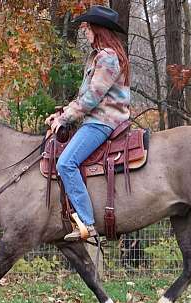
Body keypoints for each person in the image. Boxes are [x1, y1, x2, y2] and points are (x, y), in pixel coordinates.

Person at [45, 5, 131, 241]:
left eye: (87, 27)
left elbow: (93, 97)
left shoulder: (108, 58)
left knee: (65, 163)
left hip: (103, 122)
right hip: (96, 118)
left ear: (97, 29)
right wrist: (62, 113)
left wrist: (65, 119)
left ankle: (88, 224)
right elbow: (84, 96)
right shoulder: (99, 57)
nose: (84, 32)